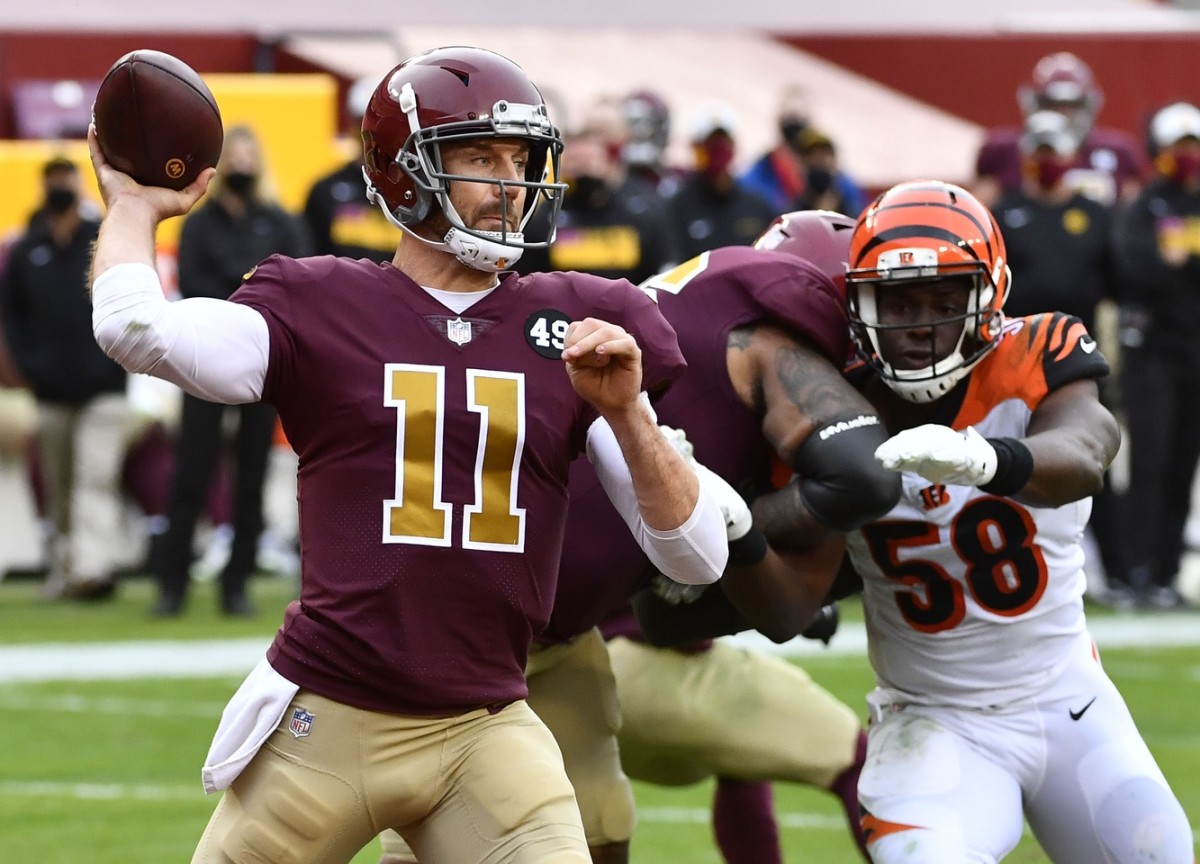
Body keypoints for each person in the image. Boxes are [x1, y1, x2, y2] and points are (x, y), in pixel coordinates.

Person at [88, 45, 729, 864]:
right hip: (331, 719)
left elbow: (700, 556)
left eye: (521, 160)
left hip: (486, 725)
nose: (509, 184)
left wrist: (630, 415)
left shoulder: (579, 323)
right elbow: (136, 329)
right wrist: (137, 207)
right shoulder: (321, 301)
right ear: (404, 174)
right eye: (479, 157)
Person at [379, 210, 900, 864]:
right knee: (359, 824)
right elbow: (865, 479)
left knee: (599, 821)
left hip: (561, 637)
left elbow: (701, 609)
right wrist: (742, 525)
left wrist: (738, 535)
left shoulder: (715, 348)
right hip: (471, 629)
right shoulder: (767, 345)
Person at [840, 180, 1193, 862]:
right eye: (898, 300)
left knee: (1158, 853)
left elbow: (1086, 453)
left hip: (1067, 698)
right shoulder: (836, 398)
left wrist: (981, 458)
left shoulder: (1039, 349)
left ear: (988, 297)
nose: (917, 324)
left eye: (944, 301)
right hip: (932, 720)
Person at [152, 124, 312, 618]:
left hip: (263, 362)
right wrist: (249, 288)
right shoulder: (201, 223)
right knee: (191, 471)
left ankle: (235, 583)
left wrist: (241, 292)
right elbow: (194, 282)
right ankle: (172, 584)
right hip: (206, 355)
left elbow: (296, 281)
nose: (242, 164)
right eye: (233, 155)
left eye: (249, 154)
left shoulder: (279, 220)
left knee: (252, 476)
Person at [992, 110, 1126, 600]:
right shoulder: (1005, 212)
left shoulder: (1093, 214)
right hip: (1017, 358)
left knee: (1093, 457)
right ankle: (1020, 570)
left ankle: (1120, 571)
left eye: (1055, 152)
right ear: (1028, 156)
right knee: (1020, 458)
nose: (1048, 160)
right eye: (1040, 152)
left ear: (1071, 156)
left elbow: (1116, 280)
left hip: (1080, 357)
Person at [0, 156, 129, 601]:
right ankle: (65, 568)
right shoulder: (27, 248)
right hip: (50, 390)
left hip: (103, 385)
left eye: (65, 179)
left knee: (95, 476)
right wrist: (26, 365)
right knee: (59, 484)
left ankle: (92, 569)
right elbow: (11, 317)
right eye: (52, 180)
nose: (60, 187)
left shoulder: (102, 239)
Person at [1109, 101, 1200, 610]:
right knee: (1150, 460)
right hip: (1152, 354)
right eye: (1178, 149)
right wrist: (1175, 265)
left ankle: (1166, 570)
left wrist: (1180, 260)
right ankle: (1136, 568)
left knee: (1184, 463)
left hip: (1194, 351)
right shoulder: (1144, 208)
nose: (1187, 158)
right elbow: (1135, 269)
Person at [516, 102, 679, 284]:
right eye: (576, 163)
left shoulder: (640, 212)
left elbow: (660, 274)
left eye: (590, 162)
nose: (584, 170)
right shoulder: (545, 217)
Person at [973, 51, 1144, 209]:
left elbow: (1136, 211)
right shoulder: (1004, 151)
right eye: (1052, 106)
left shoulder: (1119, 152)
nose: (1063, 116)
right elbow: (980, 210)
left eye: (1072, 107)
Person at [666, 102, 778, 261]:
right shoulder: (677, 207)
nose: (718, 150)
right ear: (695, 147)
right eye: (710, 144)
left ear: (734, 145)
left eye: (723, 142)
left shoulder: (757, 206)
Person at [302, 76, 396, 262]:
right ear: (353, 125)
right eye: (366, 122)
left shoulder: (418, 189)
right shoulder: (324, 190)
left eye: (384, 124)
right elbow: (310, 257)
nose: (375, 132)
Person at [741, 84, 866, 216]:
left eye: (824, 156)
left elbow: (859, 215)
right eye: (811, 156)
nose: (818, 163)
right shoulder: (759, 175)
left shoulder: (843, 186)